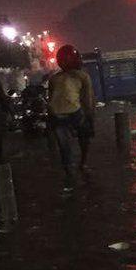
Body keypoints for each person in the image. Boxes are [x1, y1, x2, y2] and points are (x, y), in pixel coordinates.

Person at [47, 44, 96, 185]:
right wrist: (91, 118)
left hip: (56, 115)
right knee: (85, 137)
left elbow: (51, 100)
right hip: (74, 112)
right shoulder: (83, 76)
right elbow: (88, 100)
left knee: (64, 146)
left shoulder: (53, 78)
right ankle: (82, 164)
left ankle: (69, 173)